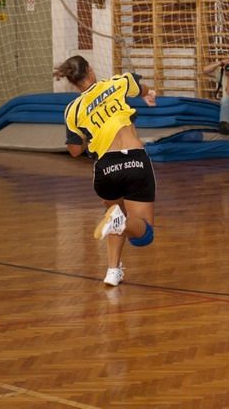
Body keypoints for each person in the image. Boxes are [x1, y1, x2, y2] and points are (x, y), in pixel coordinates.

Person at [54, 55, 157, 286]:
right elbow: (142, 89)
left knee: (115, 213)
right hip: (134, 161)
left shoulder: (73, 110)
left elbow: (74, 151)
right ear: (90, 70)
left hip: (105, 169)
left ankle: (112, 270)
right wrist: (149, 94)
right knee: (144, 234)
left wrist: (88, 135)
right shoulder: (117, 83)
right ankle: (120, 223)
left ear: (72, 82)